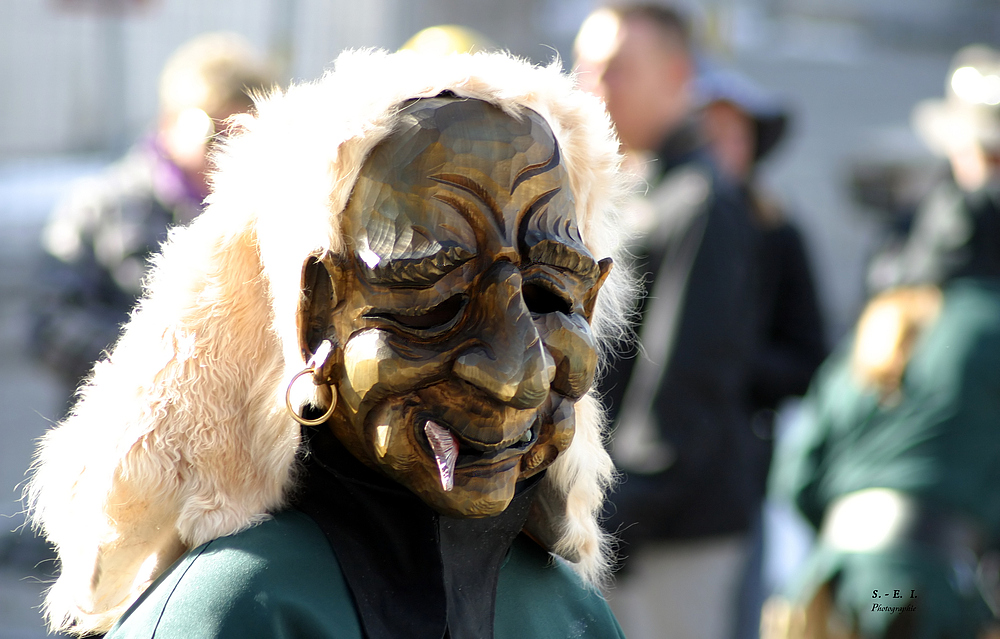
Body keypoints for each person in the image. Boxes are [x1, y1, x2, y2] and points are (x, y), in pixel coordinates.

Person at [27, 49, 633, 638]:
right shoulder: (236, 613)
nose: (516, 372)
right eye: (434, 297)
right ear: (313, 316)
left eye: (550, 296)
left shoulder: (567, 613)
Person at [764, 44, 1000, 639]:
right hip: (915, 593)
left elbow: (799, 475)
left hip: (829, 587)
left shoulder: (886, 320)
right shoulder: (989, 325)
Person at [574, 5, 759, 639]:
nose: (591, 84)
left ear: (677, 73)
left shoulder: (703, 201)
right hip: (627, 518)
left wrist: (612, 521)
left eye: (614, 68)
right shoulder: (647, 188)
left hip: (665, 535)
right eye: (585, 66)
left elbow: (686, 384)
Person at [30, 32, 274, 399]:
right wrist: (153, 366)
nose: (224, 149)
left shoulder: (270, 215)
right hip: (126, 426)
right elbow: (48, 322)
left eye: (242, 133)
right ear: (168, 122)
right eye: (209, 130)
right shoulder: (101, 205)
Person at [697, 67, 829, 639]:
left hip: (737, 464)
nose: (723, 147)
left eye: (735, 134)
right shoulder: (655, 215)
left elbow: (809, 356)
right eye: (710, 131)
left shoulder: (776, 232)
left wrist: (730, 366)